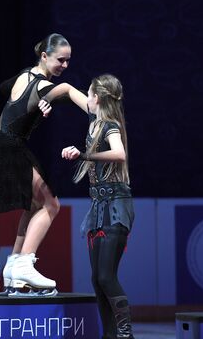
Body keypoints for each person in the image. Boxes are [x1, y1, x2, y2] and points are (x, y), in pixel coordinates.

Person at [0, 33, 86, 297]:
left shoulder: (26, 75)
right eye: (61, 60)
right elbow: (69, 91)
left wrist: (34, 107)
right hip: (9, 144)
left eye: (69, 61)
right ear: (44, 56)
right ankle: (25, 264)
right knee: (51, 204)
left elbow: (6, 88)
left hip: (1, 141)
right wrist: (98, 110)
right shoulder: (43, 85)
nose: (65, 66)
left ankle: (13, 267)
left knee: (35, 204)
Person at [46, 74, 135, 338]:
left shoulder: (109, 126)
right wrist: (45, 101)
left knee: (107, 277)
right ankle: (109, 335)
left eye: (89, 94)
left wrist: (84, 155)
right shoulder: (94, 119)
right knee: (97, 280)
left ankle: (125, 334)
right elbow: (65, 88)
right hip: (99, 207)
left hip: (116, 206)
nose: (86, 97)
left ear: (96, 98)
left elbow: (119, 154)